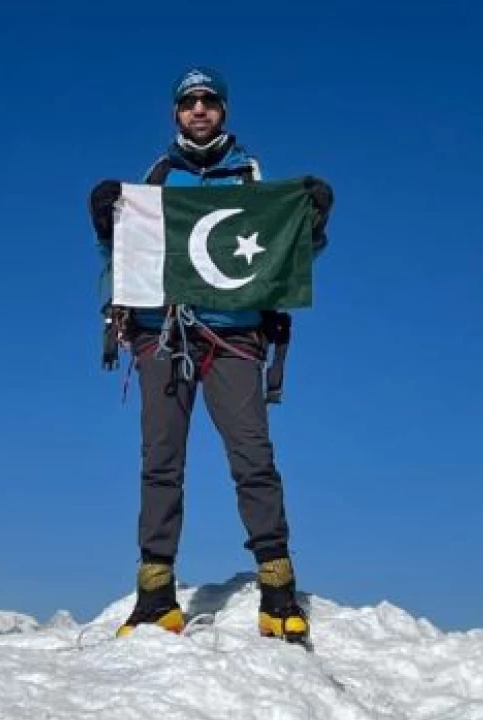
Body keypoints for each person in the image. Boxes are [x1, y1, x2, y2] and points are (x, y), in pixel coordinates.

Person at [87, 66, 333, 645]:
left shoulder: (250, 180)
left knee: (253, 457)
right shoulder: (156, 181)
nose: (199, 110)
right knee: (161, 462)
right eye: (189, 102)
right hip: (162, 335)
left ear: (223, 110)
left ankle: (278, 588)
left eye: (209, 101)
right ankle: (155, 593)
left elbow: (281, 255)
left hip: (234, 338)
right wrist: (105, 221)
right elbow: (122, 252)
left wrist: (313, 226)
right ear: (176, 113)